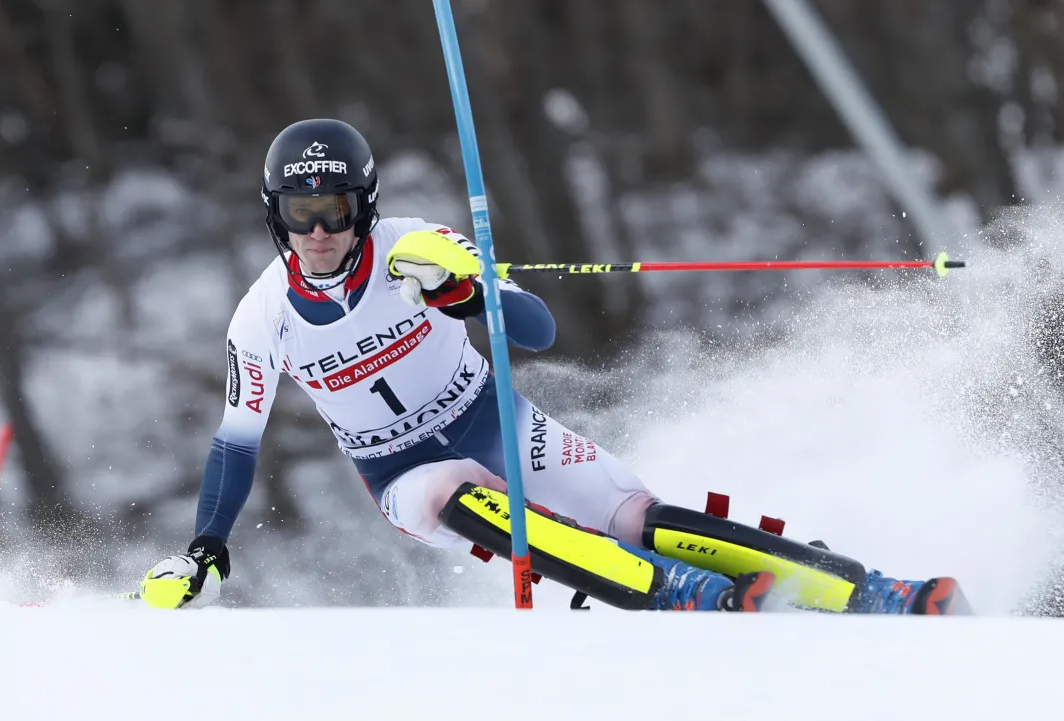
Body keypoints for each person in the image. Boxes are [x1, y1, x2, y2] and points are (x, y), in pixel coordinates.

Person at [139, 118, 966, 615]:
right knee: (451, 496)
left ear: (365, 206)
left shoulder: (416, 246)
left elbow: (535, 327)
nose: (319, 231)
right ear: (275, 217)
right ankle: (681, 594)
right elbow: (234, 443)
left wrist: (464, 293)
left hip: (491, 419)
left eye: (335, 210)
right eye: (299, 213)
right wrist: (205, 544)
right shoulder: (262, 315)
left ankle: (867, 589)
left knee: (635, 514)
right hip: (398, 470)